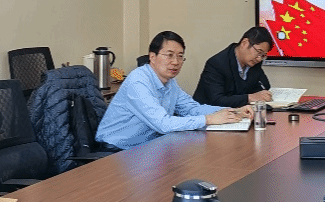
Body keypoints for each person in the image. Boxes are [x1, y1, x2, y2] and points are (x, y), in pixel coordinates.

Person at [95, 31, 251, 150]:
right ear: (152, 57)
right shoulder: (138, 81)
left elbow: (192, 108)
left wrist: (233, 111)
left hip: (145, 146)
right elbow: (163, 123)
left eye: (180, 56)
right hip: (115, 150)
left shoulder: (170, 82)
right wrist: (209, 119)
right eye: (169, 55)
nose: (175, 62)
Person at [193, 26, 273, 107]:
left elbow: (264, 85)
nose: (259, 58)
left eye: (263, 55)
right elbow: (217, 100)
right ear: (244, 43)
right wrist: (249, 97)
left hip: (238, 111)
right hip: (208, 112)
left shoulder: (254, 62)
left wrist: (261, 95)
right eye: (259, 52)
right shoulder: (217, 64)